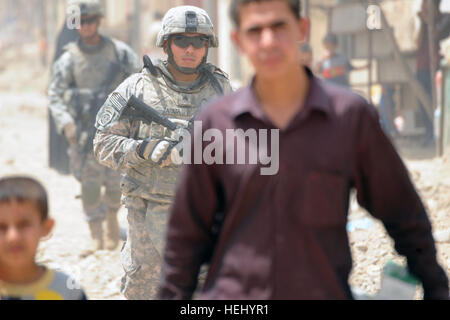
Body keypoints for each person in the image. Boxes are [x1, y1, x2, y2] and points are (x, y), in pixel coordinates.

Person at [157, 0, 449, 300]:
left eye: (279, 27)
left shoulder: (349, 119)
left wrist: (436, 286)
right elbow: (186, 238)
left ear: (303, 29)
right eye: (255, 31)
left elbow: (402, 213)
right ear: (239, 41)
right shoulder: (215, 125)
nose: (268, 41)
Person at [93, 5, 233, 300]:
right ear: (167, 44)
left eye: (199, 42)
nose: (190, 49)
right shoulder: (138, 88)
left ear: (208, 46)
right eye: (182, 41)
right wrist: (145, 150)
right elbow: (102, 145)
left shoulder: (221, 89)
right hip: (147, 208)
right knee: (145, 288)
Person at [48, 0, 140, 257]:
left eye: (90, 21)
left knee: (114, 183)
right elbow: (55, 95)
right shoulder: (68, 59)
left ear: (99, 22)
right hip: (83, 132)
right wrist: (66, 123)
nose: (86, 27)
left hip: (116, 131)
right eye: (81, 22)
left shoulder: (120, 53)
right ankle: (96, 235)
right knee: (89, 185)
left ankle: (112, 221)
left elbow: (140, 84)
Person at [0, 176, 87, 300]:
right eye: (1, 227)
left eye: (23, 224)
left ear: (46, 227)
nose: (13, 237)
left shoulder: (67, 291)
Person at [415, 0, 450, 146]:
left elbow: (437, 36)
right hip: (422, 67)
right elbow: (417, 42)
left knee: (438, 103)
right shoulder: (423, 24)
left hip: (437, 68)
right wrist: (423, 22)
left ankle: (438, 135)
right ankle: (429, 132)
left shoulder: (445, 19)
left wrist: (429, 22)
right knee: (423, 103)